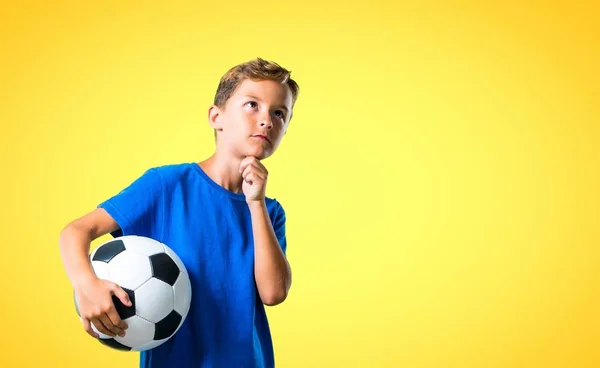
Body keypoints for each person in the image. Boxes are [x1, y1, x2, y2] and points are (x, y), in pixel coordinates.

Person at [59, 57, 300, 367]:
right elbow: (75, 232)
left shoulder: (269, 211)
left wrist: (255, 203)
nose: (266, 119)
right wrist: (87, 285)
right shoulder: (167, 185)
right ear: (216, 116)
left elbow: (273, 293)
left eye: (279, 113)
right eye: (252, 105)